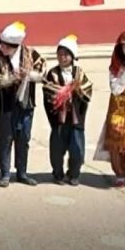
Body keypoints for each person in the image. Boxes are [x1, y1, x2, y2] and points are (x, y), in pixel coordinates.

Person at [0, 21, 46, 188]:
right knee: (4, 139)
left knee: (23, 139)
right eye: (2, 44)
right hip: (4, 106)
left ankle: (22, 173)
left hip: (26, 104)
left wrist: (29, 74)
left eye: (7, 46)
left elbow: (43, 72)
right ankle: (5, 173)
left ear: (16, 46)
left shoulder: (31, 54)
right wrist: (12, 78)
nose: (3, 48)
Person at [42, 35, 92, 186]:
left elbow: (87, 89)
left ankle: (74, 174)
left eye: (66, 54)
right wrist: (61, 94)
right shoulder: (52, 73)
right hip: (59, 119)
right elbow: (48, 91)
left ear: (72, 56)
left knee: (77, 149)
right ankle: (58, 174)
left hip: (75, 118)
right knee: (57, 149)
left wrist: (76, 90)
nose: (62, 57)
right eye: (60, 54)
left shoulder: (79, 73)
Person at [95, 31, 125, 187]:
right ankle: (119, 173)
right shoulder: (115, 67)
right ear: (121, 48)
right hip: (118, 109)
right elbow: (115, 89)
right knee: (116, 143)